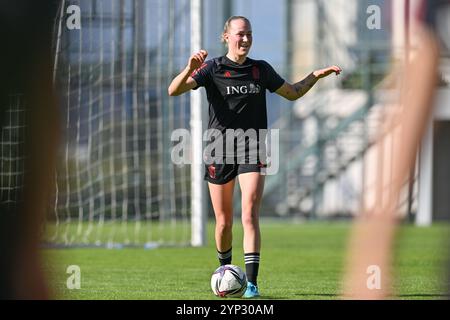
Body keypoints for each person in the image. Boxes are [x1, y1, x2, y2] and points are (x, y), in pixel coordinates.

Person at [168, 16, 341, 298]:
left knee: (249, 212)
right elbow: (173, 90)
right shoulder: (212, 68)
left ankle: (251, 285)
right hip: (219, 148)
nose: (245, 39)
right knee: (223, 222)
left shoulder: (261, 70)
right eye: (240, 34)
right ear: (226, 37)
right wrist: (190, 68)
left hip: (253, 146)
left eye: (249, 34)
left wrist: (315, 76)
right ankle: (225, 272)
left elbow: (293, 93)